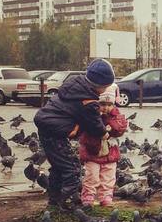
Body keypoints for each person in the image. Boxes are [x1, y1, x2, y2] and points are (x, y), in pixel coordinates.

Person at [34, 58, 115, 209]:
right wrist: (104, 133)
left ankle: (54, 200)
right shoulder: (88, 101)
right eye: (106, 86)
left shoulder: (75, 86)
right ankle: (67, 202)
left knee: (59, 167)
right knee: (72, 168)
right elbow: (94, 124)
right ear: (100, 86)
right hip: (54, 131)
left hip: (48, 127)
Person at [79, 84, 127, 207]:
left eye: (109, 105)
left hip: (110, 152)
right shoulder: (91, 116)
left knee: (108, 176)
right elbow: (86, 130)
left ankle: (106, 197)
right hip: (92, 151)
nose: (106, 108)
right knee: (92, 176)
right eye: (102, 104)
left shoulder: (116, 116)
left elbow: (120, 129)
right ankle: (88, 196)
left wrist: (110, 119)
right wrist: (98, 121)